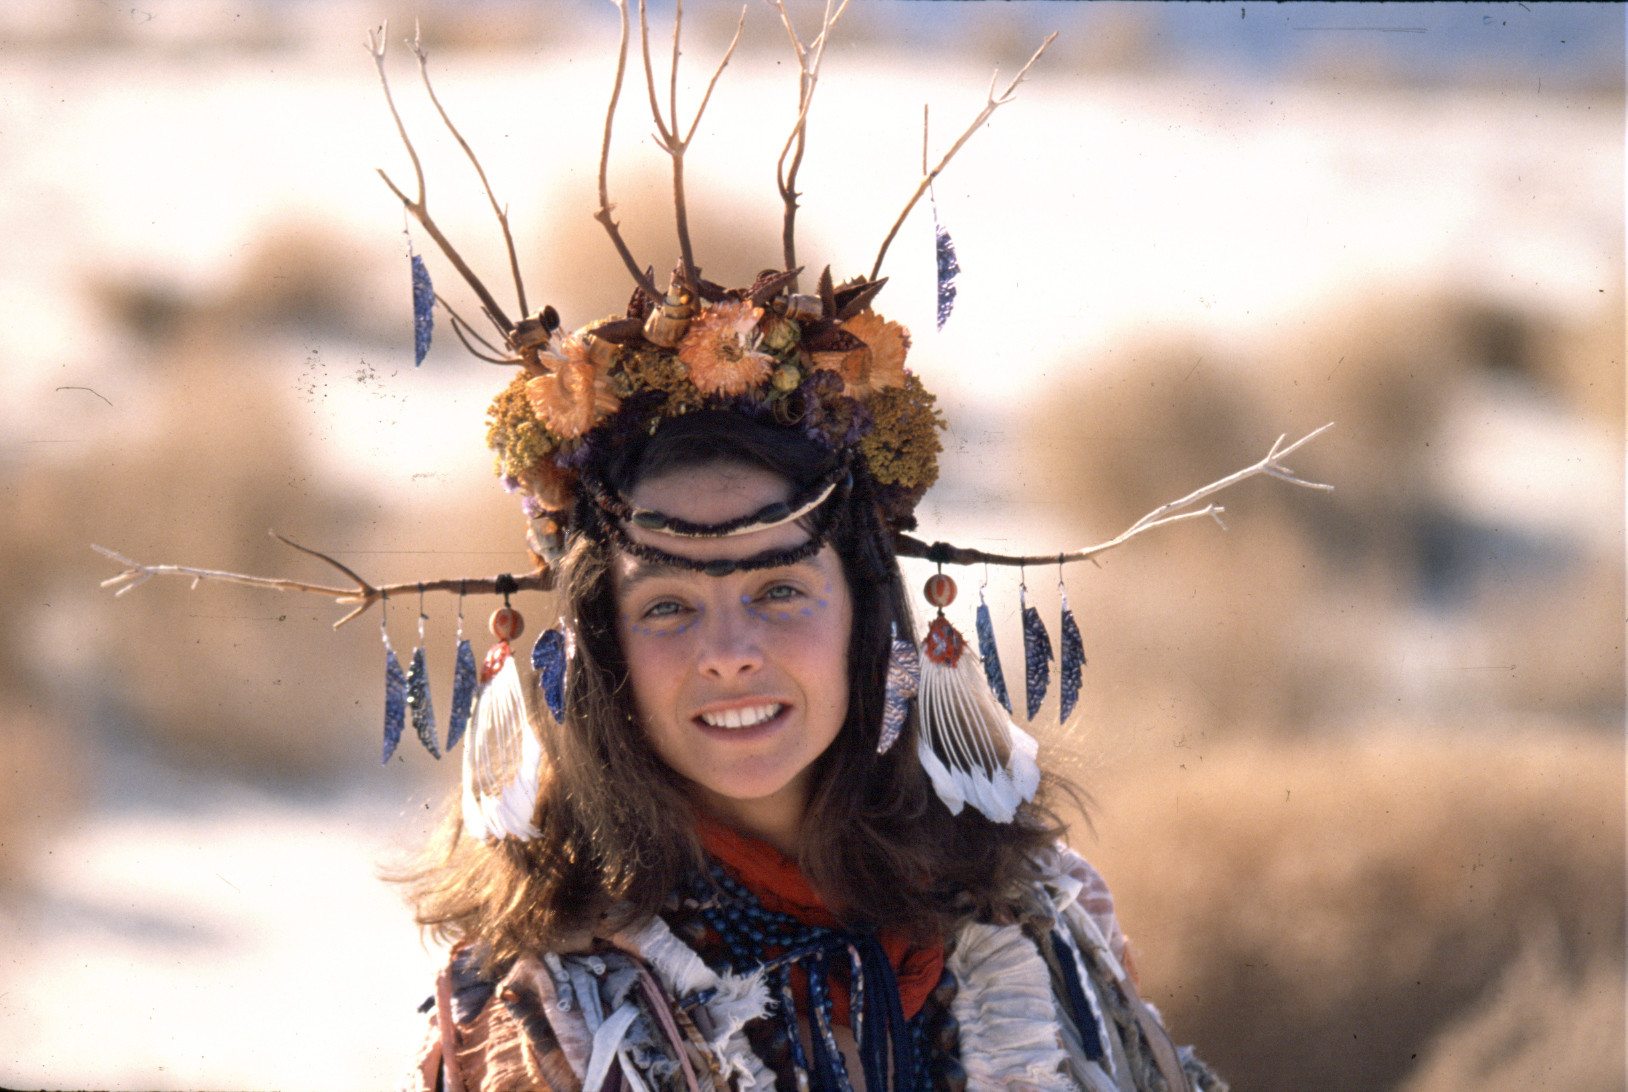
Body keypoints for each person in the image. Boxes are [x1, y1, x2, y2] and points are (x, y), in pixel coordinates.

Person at [396, 412, 1227, 1092]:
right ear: (602, 649)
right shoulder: (545, 1008)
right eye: (667, 606)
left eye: (780, 590)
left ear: (867, 618)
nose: (728, 652)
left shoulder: (1033, 912)